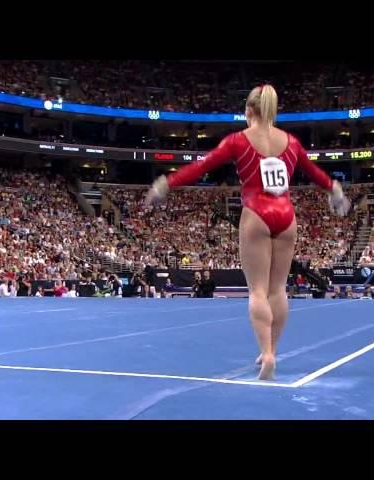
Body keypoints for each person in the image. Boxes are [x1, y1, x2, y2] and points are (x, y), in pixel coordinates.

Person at [145, 84, 349, 380]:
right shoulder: (291, 142)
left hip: (256, 214)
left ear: (248, 112)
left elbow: (201, 167)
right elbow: (315, 173)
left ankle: (266, 354)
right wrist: (335, 190)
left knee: (257, 290)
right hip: (286, 215)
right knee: (278, 289)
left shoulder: (239, 141)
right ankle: (272, 351)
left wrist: (166, 183)